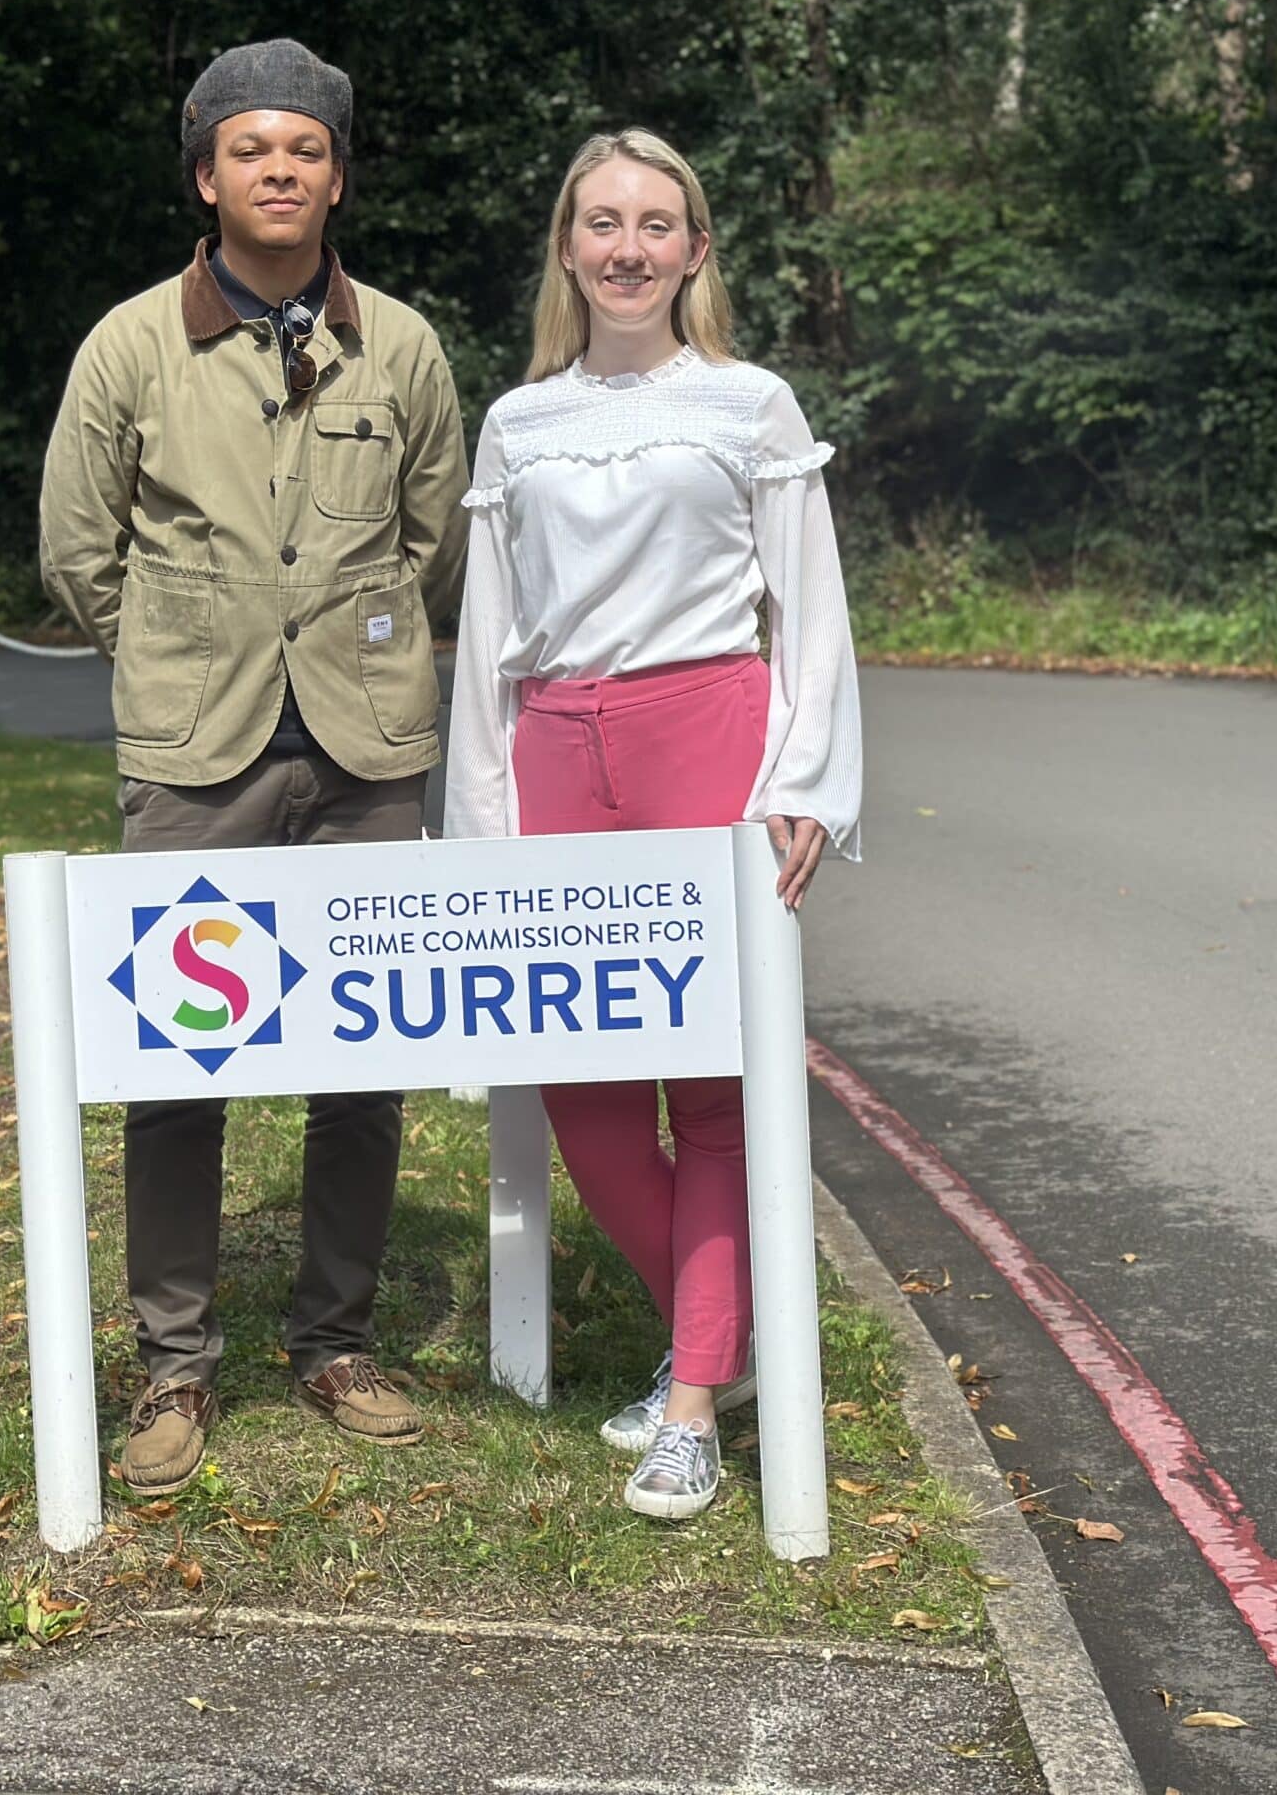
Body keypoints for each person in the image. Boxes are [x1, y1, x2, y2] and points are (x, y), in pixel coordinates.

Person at [39, 39, 470, 1497]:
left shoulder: (400, 346)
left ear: (337, 175)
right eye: (249, 151)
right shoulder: (129, 348)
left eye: (304, 150)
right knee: (182, 1052)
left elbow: (434, 542)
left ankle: (334, 1338)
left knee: (363, 1053)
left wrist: (349, 654)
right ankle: (176, 1364)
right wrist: (179, 654)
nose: (277, 171)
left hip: (364, 751)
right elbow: (78, 551)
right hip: (196, 752)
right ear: (206, 175)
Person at [443, 129, 862, 1519]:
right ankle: (720, 1337)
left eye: (658, 224)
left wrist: (800, 778)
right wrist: (482, 834)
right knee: (590, 1095)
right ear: (568, 246)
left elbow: (808, 610)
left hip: (710, 740)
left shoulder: (750, 404)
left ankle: (692, 1403)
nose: (629, 247)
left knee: (723, 1094)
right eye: (603, 222)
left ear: (694, 250)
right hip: (561, 752)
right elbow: (491, 644)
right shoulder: (518, 423)